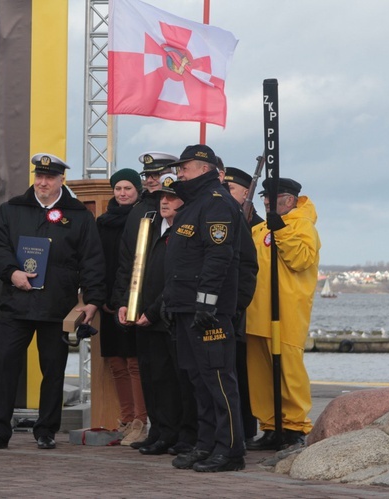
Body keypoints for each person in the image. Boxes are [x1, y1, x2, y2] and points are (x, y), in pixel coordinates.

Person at [0, 153, 106, 450]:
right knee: (5, 367)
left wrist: (92, 299)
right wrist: (11, 273)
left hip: (56, 306)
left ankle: (46, 430)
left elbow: (92, 261)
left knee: (53, 370)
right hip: (15, 303)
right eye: (39, 177)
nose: (43, 183)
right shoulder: (11, 210)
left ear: (61, 180)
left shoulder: (78, 216)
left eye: (49, 178)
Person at [163, 144, 246, 472]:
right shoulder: (193, 204)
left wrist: (205, 303)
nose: (179, 173)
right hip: (186, 308)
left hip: (207, 311)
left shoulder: (216, 203)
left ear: (204, 168)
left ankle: (230, 450)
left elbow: (218, 256)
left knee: (218, 380)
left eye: (185, 167)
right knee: (198, 380)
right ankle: (207, 443)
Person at [245, 178, 321, 453]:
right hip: (257, 312)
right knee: (261, 373)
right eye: (264, 197)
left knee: (289, 372)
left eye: (272, 198)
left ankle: (294, 426)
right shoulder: (261, 228)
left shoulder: (302, 225)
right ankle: (269, 425)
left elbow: (300, 259)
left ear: (288, 201)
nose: (265, 202)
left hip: (286, 313)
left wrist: (282, 231)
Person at [112, 151, 181, 449]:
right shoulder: (139, 212)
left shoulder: (180, 209)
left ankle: (175, 433)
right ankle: (157, 431)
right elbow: (128, 261)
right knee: (151, 374)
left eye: (158, 175)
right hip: (142, 306)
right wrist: (123, 301)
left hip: (169, 308)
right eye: (148, 176)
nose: (152, 181)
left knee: (171, 377)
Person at [96, 168, 146, 443]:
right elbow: (97, 261)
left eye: (128, 188)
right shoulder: (102, 222)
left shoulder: (144, 219)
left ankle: (141, 419)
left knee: (134, 362)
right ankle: (126, 418)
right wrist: (102, 297)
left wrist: (128, 298)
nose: (123, 193)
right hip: (108, 302)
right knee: (116, 361)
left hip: (134, 299)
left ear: (137, 190)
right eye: (118, 188)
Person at [221, 166, 261, 445]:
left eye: (231, 189)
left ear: (246, 193)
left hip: (248, 312)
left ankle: (247, 429)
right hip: (230, 309)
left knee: (245, 377)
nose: (225, 194)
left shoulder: (257, 225)